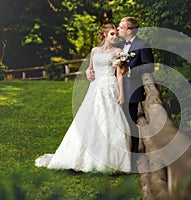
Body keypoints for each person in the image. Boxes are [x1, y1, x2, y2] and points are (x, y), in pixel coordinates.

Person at [35, 24, 131, 173]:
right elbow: (90, 68)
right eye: (112, 34)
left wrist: (122, 93)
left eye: (116, 34)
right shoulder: (95, 51)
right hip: (94, 87)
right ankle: (80, 156)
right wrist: (88, 72)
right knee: (88, 118)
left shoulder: (119, 52)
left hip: (109, 86)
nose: (115, 37)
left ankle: (108, 160)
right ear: (104, 35)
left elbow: (119, 74)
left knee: (109, 119)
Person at [116, 17, 154, 171]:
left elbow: (149, 66)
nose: (118, 29)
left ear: (129, 31)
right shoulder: (118, 45)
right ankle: (118, 156)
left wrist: (130, 71)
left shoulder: (142, 45)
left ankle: (132, 160)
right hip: (114, 89)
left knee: (130, 124)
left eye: (120, 27)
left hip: (132, 90)